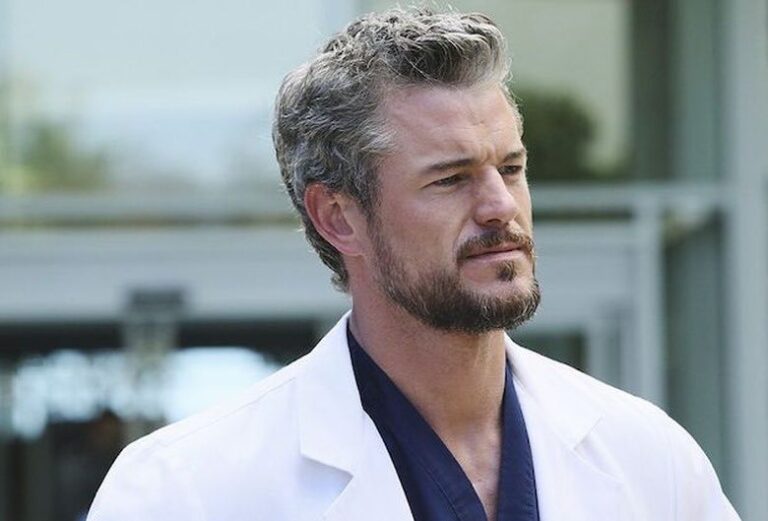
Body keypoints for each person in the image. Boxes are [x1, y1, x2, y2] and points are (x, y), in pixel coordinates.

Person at [87, 8, 740, 521]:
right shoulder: (183, 490)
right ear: (338, 217)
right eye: (450, 179)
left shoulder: (649, 458)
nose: (500, 206)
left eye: (511, 168)